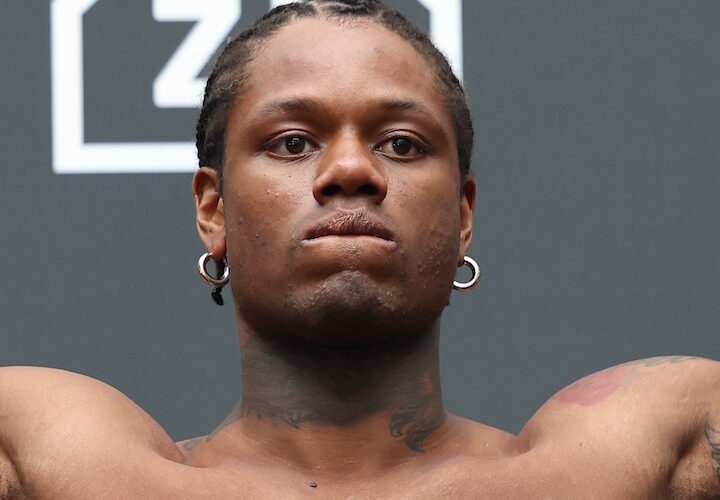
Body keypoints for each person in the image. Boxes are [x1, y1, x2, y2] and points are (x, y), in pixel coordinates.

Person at [1, 1, 719, 498]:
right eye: (293, 143)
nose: (350, 170)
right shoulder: (84, 469)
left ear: (462, 215)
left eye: (401, 144)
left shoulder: (608, 465)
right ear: (213, 210)